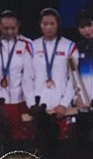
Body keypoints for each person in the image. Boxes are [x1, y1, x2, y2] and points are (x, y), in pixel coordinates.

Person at [29, 8, 77, 139]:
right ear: (40, 25)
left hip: (60, 106)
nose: (48, 27)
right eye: (45, 24)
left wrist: (64, 104)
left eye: (52, 24)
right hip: (39, 107)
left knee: (60, 147)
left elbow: (74, 78)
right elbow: (27, 78)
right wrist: (32, 104)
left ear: (58, 25)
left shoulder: (69, 47)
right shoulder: (32, 46)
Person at [0, 10, 34, 141]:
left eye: (13, 28)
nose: (9, 32)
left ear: (18, 26)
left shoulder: (27, 44)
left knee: (18, 136)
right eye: (5, 28)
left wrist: (30, 101)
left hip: (19, 100)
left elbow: (30, 75)